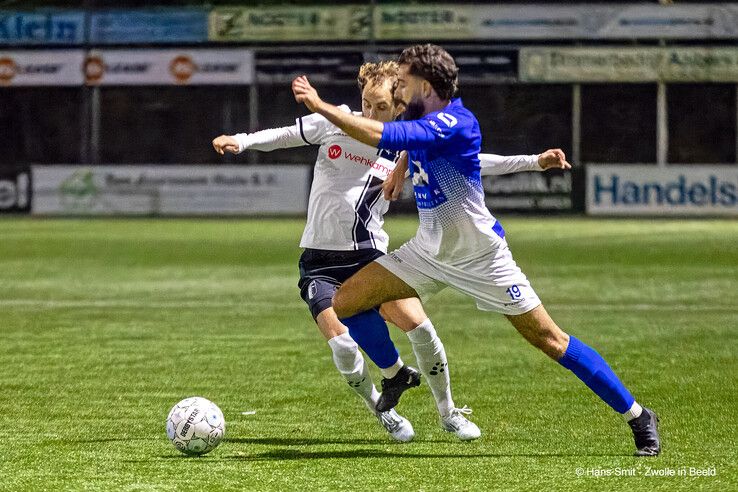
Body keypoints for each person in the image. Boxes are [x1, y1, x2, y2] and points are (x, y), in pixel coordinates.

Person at [292, 44, 661, 456]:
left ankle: (638, 415)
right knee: (342, 304)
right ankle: (396, 374)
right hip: (427, 253)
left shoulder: (454, 122)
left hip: (481, 258)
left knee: (550, 339)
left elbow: (385, 134)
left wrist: (320, 105)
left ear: (425, 85)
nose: (398, 87)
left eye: (405, 79)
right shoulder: (420, 112)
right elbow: (405, 142)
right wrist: (400, 169)